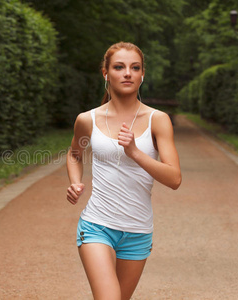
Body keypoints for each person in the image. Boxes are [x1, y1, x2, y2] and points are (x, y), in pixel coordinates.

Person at [66, 42, 182, 300]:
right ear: (106, 73)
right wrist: (75, 182)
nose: (127, 73)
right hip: (97, 225)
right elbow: (75, 154)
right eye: (119, 67)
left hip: (138, 231)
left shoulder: (158, 120)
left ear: (142, 75)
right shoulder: (88, 119)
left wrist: (135, 152)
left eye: (135, 67)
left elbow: (174, 178)